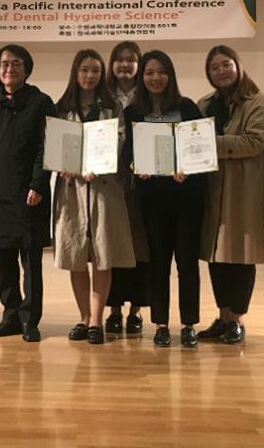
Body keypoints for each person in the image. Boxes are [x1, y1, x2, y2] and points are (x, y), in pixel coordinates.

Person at [121, 50, 207, 347]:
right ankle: (160, 324)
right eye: (149, 72)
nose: (155, 78)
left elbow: (200, 148)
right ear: (141, 77)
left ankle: (188, 324)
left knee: (187, 263)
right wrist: (136, 164)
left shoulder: (187, 107)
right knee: (158, 262)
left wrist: (189, 169)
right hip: (152, 199)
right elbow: (128, 153)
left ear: (170, 75)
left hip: (186, 199)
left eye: (161, 72)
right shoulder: (133, 112)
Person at [53, 50, 135, 345]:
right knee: (76, 255)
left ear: (102, 75)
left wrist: (96, 165)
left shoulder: (113, 107)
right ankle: (84, 316)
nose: (90, 76)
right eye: (84, 70)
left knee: (102, 254)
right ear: (76, 72)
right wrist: (65, 165)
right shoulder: (61, 108)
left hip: (105, 187)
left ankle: (97, 321)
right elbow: (55, 146)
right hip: (71, 189)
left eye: (95, 71)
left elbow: (120, 141)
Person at [0, 44, 56, 342]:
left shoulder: (41, 102)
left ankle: (29, 320)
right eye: (4, 64)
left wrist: (38, 184)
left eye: (16, 64)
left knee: (31, 262)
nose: (9, 69)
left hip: (29, 192)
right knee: (1, 259)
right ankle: (10, 315)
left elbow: (46, 147)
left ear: (27, 69)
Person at [197, 45, 264, 345]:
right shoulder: (205, 104)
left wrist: (209, 142)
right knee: (216, 255)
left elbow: (253, 142)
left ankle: (238, 320)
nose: (221, 71)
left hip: (243, 191)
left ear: (237, 65)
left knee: (240, 255)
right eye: (214, 67)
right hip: (212, 189)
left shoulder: (257, 102)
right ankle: (223, 316)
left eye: (226, 64)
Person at [104, 41, 149, 335]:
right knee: (113, 245)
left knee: (141, 246)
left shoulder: (148, 95)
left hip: (144, 183)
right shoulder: (104, 96)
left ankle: (136, 310)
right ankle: (114, 309)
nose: (124, 65)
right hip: (112, 181)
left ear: (138, 63)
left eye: (130, 59)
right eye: (119, 59)